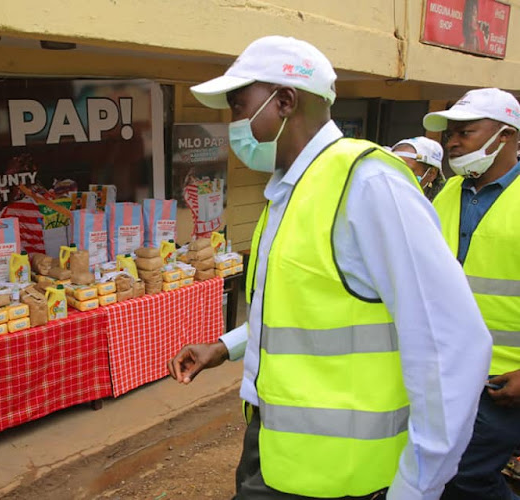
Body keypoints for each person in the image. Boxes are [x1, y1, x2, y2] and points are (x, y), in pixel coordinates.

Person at [167, 36, 492, 500]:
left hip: (345, 477)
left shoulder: (368, 184)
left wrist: (418, 485)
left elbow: (451, 343)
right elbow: (300, 307)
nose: (233, 124)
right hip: (276, 449)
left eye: (239, 107)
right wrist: (225, 347)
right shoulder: (290, 188)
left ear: (284, 101)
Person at [423, 88, 520, 500]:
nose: (452, 142)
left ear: (506, 136)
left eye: (466, 131)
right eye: (450, 134)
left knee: (467, 475)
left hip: (501, 381)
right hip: (443, 371)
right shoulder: (447, 193)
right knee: (437, 474)